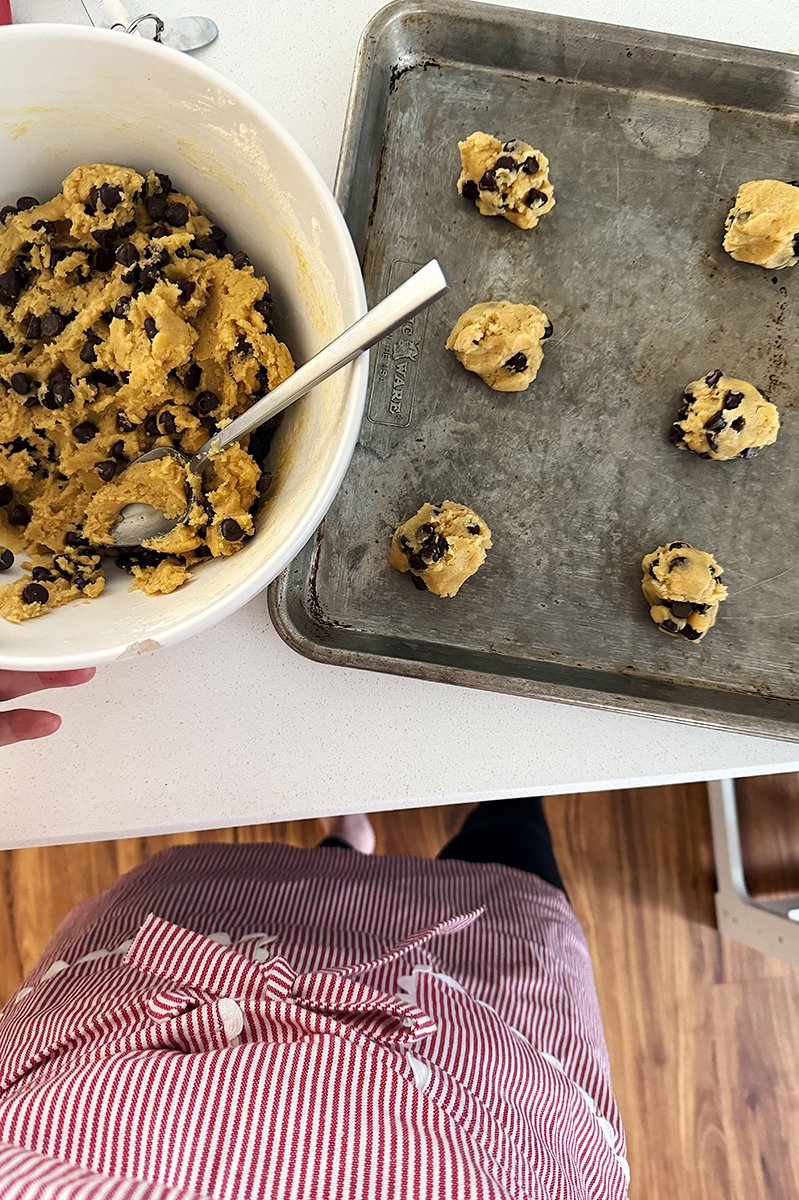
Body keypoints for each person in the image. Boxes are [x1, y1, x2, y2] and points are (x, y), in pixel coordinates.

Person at [0, 668, 629, 1199]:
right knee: (511, 830)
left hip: (150, 989)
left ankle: (341, 847)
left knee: (310, 875)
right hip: (490, 1060)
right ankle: (498, 781)